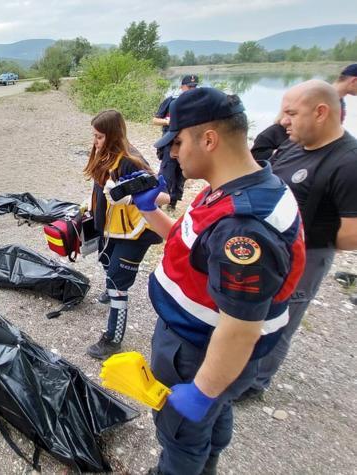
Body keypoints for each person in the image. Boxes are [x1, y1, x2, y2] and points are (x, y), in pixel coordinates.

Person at [128, 87, 305, 474]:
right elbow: (195, 250)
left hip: (201, 352)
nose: (173, 154)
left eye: (177, 142)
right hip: (203, 347)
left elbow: (240, 328)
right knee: (210, 420)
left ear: (208, 139)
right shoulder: (237, 188)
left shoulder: (244, 226)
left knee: (181, 438)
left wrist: (203, 389)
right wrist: (148, 213)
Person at [239, 79, 357, 400]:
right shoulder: (294, 144)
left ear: (321, 112)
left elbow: (352, 234)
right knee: (256, 308)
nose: (282, 120)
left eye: (291, 112)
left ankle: (255, 384)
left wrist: (292, 230)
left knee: (282, 318)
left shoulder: (347, 162)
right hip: (267, 248)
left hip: (306, 257)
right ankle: (241, 366)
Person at [83, 110, 167, 360]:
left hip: (134, 233)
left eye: (99, 136)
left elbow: (164, 196)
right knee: (107, 264)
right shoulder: (106, 155)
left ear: (112, 135)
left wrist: (129, 198)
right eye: (94, 136)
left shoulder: (132, 160)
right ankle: (111, 289)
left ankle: (113, 339)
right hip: (111, 229)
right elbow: (100, 188)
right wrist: (90, 203)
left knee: (118, 283)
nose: (95, 141)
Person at [152, 75, 199, 210]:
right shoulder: (171, 101)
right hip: (170, 143)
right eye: (189, 87)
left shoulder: (197, 105)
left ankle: (173, 203)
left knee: (181, 175)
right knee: (166, 174)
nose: (192, 89)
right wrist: (168, 121)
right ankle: (159, 204)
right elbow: (155, 120)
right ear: (182, 87)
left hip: (188, 144)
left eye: (194, 87)